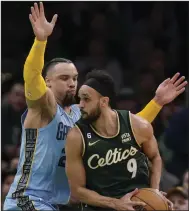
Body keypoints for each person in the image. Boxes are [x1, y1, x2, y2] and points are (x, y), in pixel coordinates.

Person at [4, 2, 187, 211]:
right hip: (28, 199)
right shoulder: (43, 108)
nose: (72, 83)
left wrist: (157, 102)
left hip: (59, 204)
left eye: (74, 78)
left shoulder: (78, 116)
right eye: (64, 78)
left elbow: (129, 126)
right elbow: (31, 77)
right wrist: (40, 41)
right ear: (48, 82)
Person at [65, 70, 182, 211]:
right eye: (80, 99)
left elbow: (155, 157)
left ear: (104, 101)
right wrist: (116, 204)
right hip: (101, 207)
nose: (81, 105)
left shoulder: (138, 125)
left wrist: (154, 191)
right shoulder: (76, 136)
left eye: (86, 99)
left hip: (140, 204)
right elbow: (77, 190)